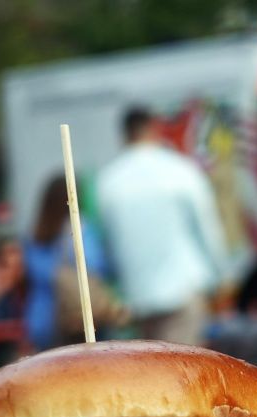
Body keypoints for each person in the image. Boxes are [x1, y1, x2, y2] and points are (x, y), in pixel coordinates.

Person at [96, 105, 229, 345]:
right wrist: (221, 276)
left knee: (154, 374)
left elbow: (107, 244)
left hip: (138, 298)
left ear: (124, 135)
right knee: (187, 373)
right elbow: (207, 229)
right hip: (184, 289)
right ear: (155, 130)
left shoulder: (108, 182)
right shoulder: (180, 170)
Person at [24, 175, 113, 350]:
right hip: (79, 320)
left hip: (44, 323)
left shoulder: (35, 236)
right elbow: (96, 266)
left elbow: (37, 272)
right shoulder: (81, 230)